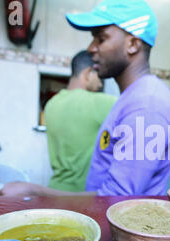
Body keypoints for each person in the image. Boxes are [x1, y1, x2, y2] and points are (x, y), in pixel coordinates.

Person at [0, 0, 170, 197]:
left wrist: (35, 191)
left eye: (101, 39)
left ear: (133, 44)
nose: (91, 48)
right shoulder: (134, 97)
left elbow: (115, 200)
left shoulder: (146, 105)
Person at [44, 50, 116, 192]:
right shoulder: (99, 102)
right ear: (88, 73)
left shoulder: (51, 104)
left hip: (54, 190)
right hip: (82, 196)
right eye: (99, 78)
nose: (101, 85)